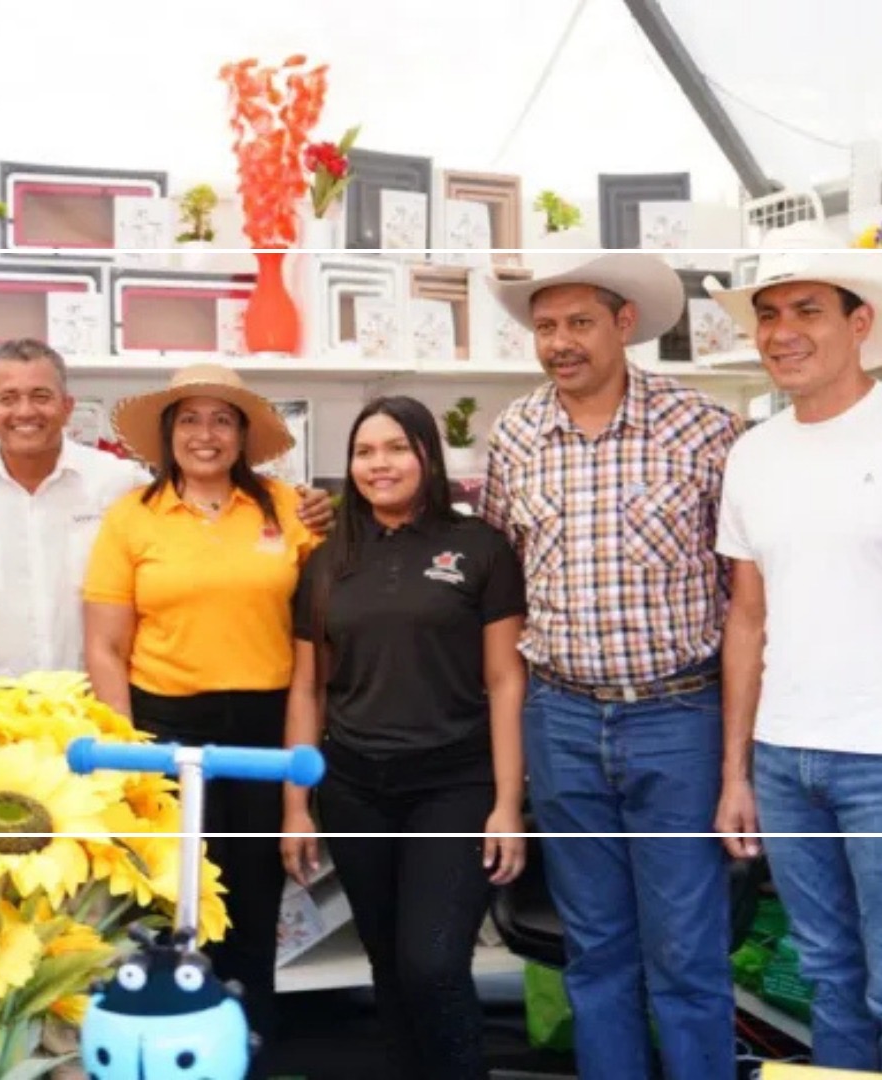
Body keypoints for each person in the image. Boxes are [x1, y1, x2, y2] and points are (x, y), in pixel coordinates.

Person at [479, 252, 745, 1080]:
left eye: (579, 323)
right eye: (545, 327)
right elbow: (506, 579)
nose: (560, 342)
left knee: (687, 955)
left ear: (624, 324)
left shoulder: (705, 428)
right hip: (560, 718)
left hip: (679, 718)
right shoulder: (514, 436)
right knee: (594, 954)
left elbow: (746, 594)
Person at [708, 223, 882, 1075]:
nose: (781, 332)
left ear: (860, 322)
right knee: (829, 981)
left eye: (807, 310)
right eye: (768, 314)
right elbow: (747, 620)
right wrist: (736, 772)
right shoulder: (752, 455)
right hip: (784, 760)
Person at [281, 395, 528, 1080]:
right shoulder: (326, 562)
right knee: (388, 964)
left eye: (396, 448)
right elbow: (307, 689)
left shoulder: (480, 548)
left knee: (433, 963)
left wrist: (508, 803)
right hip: (354, 787)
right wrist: (295, 807)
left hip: (455, 784)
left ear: (428, 456)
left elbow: (506, 680)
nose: (379, 464)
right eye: (364, 452)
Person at [81, 363, 317, 1058]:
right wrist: (128, 760)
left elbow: (321, 631)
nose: (204, 434)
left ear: (243, 435)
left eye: (221, 420)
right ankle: (166, 1056)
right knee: (169, 907)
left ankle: (246, 1053)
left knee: (252, 908)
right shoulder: (132, 516)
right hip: (164, 731)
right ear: (167, 434)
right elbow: (104, 647)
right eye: (189, 419)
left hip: (265, 733)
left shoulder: (290, 509)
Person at [0, 338, 333, 678]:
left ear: (67, 407)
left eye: (41, 396)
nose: (26, 411)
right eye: (8, 398)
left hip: (98, 701)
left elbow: (208, 495)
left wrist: (301, 503)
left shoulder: (120, 483)